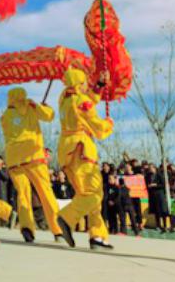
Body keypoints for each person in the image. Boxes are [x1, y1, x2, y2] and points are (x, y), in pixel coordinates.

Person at [55, 68, 115, 250]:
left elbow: (88, 100)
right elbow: (97, 126)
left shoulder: (64, 100)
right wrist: (108, 124)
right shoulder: (80, 102)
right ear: (80, 84)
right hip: (81, 150)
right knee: (94, 194)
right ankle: (66, 217)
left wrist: (99, 87)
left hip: (68, 152)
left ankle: (97, 236)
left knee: (86, 194)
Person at [0, 88, 61, 243]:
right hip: (33, 156)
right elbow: (50, 116)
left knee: (23, 194)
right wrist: (44, 107)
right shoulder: (31, 107)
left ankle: (27, 228)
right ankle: (57, 228)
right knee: (45, 192)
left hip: (14, 160)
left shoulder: (5, 116)